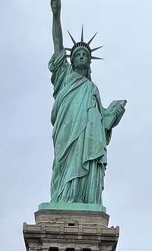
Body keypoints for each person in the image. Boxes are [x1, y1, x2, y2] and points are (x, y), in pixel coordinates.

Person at [48, 0, 127, 205]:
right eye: (77, 55)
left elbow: (102, 120)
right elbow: (58, 46)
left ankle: (84, 198)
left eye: (85, 55)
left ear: (89, 62)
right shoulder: (64, 76)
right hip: (67, 131)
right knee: (64, 163)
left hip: (88, 136)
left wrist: (113, 113)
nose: (81, 56)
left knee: (88, 161)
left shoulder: (92, 89)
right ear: (71, 60)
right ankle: (64, 198)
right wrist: (56, 15)